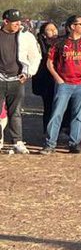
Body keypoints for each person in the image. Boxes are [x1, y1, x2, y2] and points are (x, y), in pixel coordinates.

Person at [41, 14, 81, 154]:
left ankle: (74, 144)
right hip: (64, 84)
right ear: (73, 26)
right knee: (57, 114)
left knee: (78, 115)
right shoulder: (59, 42)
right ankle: (50, 144)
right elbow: (49, 63)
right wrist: (58, 79)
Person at [1, 9, 42, 154]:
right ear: (6, 21)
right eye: (14, 22)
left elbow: (35, 56)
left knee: (16, 112)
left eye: (19, 21)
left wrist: (29, 72)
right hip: (0, 78)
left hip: (17, 79)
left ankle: (17, 141)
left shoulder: (26, 36)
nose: (18, 24)